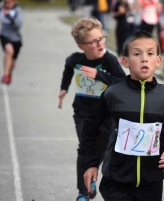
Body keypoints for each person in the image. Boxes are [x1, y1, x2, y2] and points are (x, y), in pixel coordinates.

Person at [80, 30, 164, 201]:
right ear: (126, 61)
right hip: (116, 179)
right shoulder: (113, 94)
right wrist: (90, 163)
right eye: (137, 54)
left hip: (152, 181)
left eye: (150, 53)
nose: (144, 58)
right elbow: (90, 127)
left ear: (158, 60)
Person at [57, 18, 126, 201]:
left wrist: (99, 75)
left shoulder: (109, 60)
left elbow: (122, 82)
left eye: (101, 38)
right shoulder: (76, 59)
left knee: (100, 151)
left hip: (105, 116)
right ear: (82, 46)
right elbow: (68, 67)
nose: (100, 43)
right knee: (84, 149)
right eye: (94, 41)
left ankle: (92, 175)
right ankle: (84, 191)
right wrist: (64, 88)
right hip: (82, 113)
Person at [0, 0, 22, 85]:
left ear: (14, 2)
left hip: (16, 38)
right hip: (4, 36)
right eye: (6, 3)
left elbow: (19, 25)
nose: (7, 5)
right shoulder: (1, 9)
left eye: (9, 3)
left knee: (12, 63)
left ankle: (9, 74)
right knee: (9, 51)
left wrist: (8, 16)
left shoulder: (17, 11)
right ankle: (5, 75)